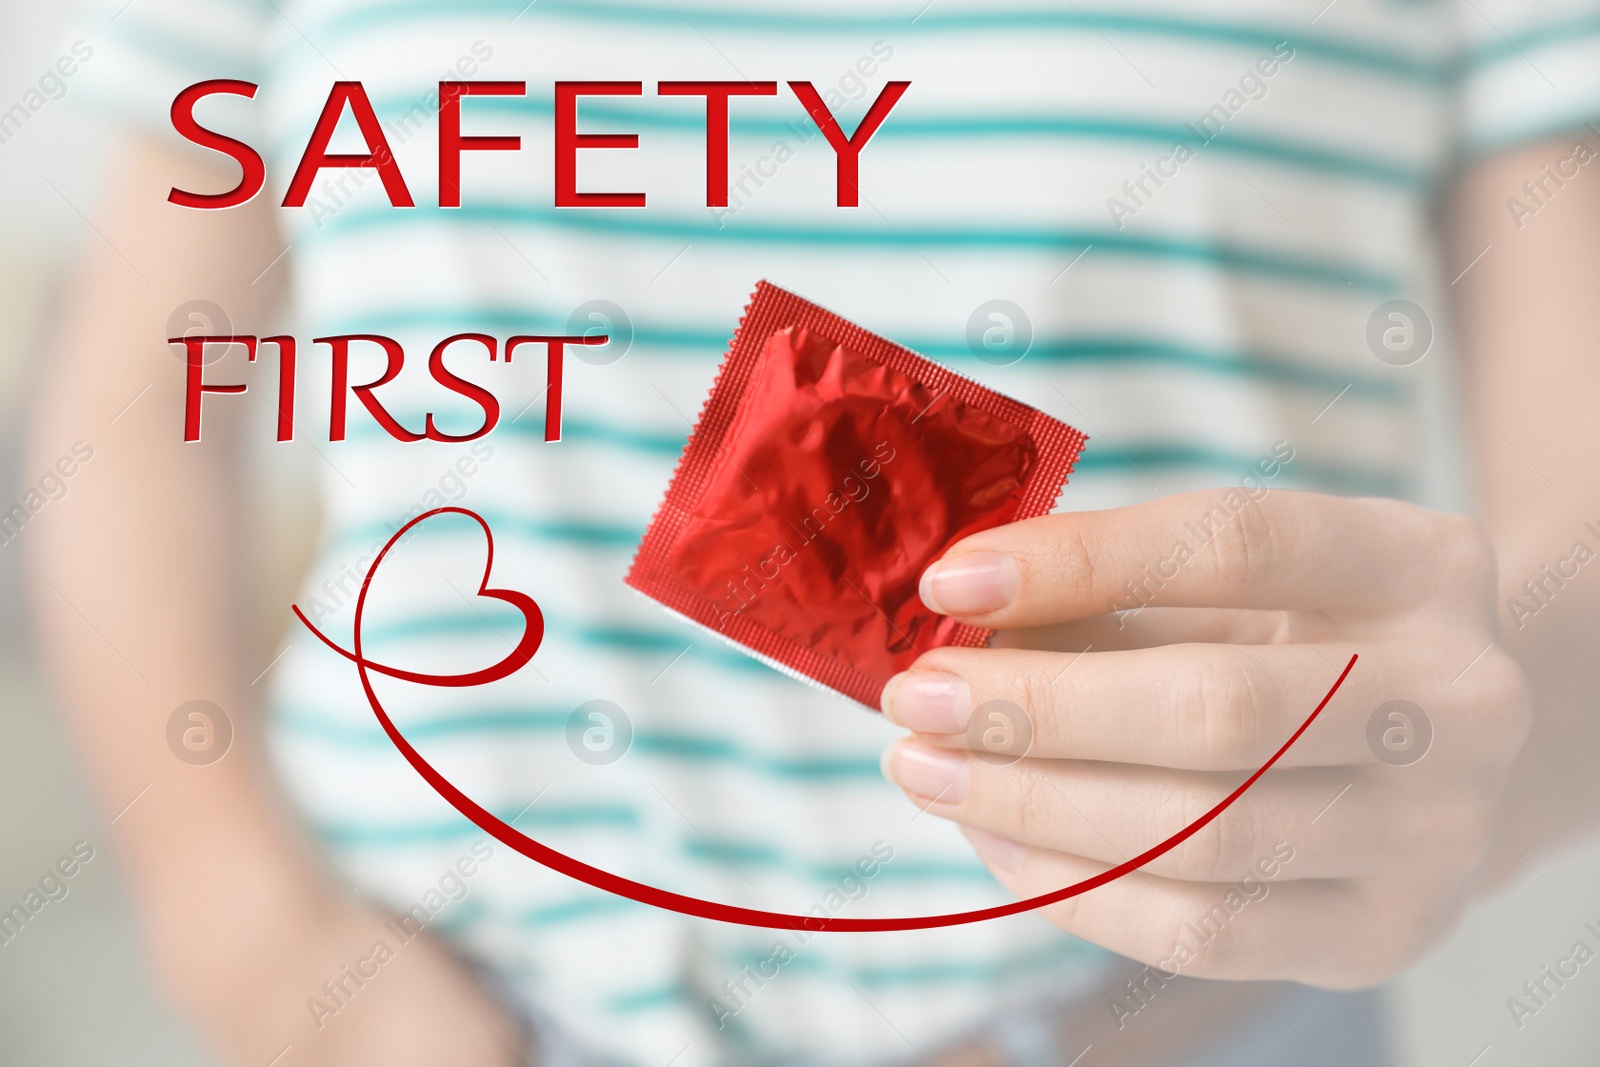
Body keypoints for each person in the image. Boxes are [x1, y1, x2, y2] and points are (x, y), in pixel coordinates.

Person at [25, 1, 1600, 1064]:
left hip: (1184, 1020)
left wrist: (1491, 747)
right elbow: (135, 412)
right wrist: (245, 934)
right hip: (422, 1000)